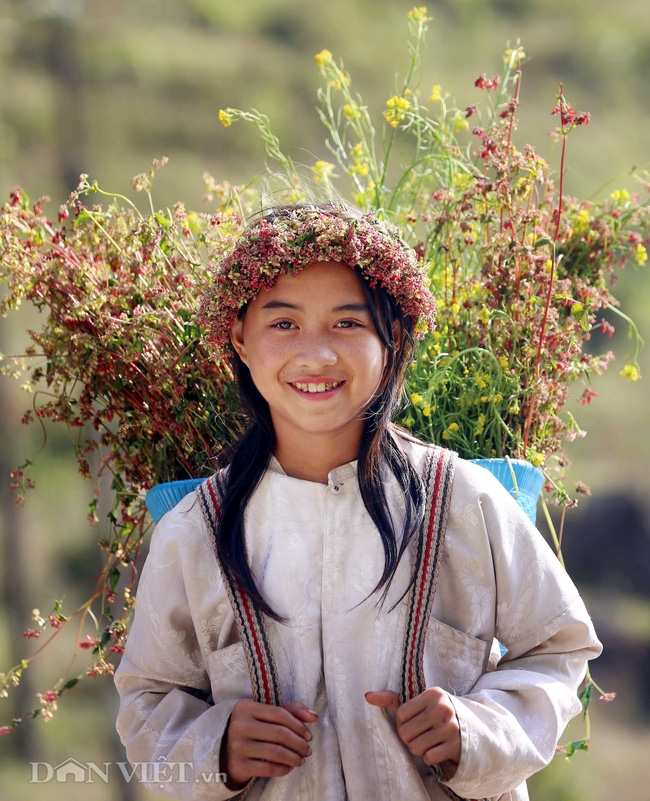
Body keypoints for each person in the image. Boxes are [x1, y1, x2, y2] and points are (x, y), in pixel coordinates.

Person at [114, 203, 602, 801]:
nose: (316, 355)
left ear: (392, 337)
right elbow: (147, 699)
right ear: (239, 339)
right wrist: (216, 746)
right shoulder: (195, 532)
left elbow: (560, 646)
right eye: (284, 324)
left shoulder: (463, 501)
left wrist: (477, 730)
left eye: (348, 323)